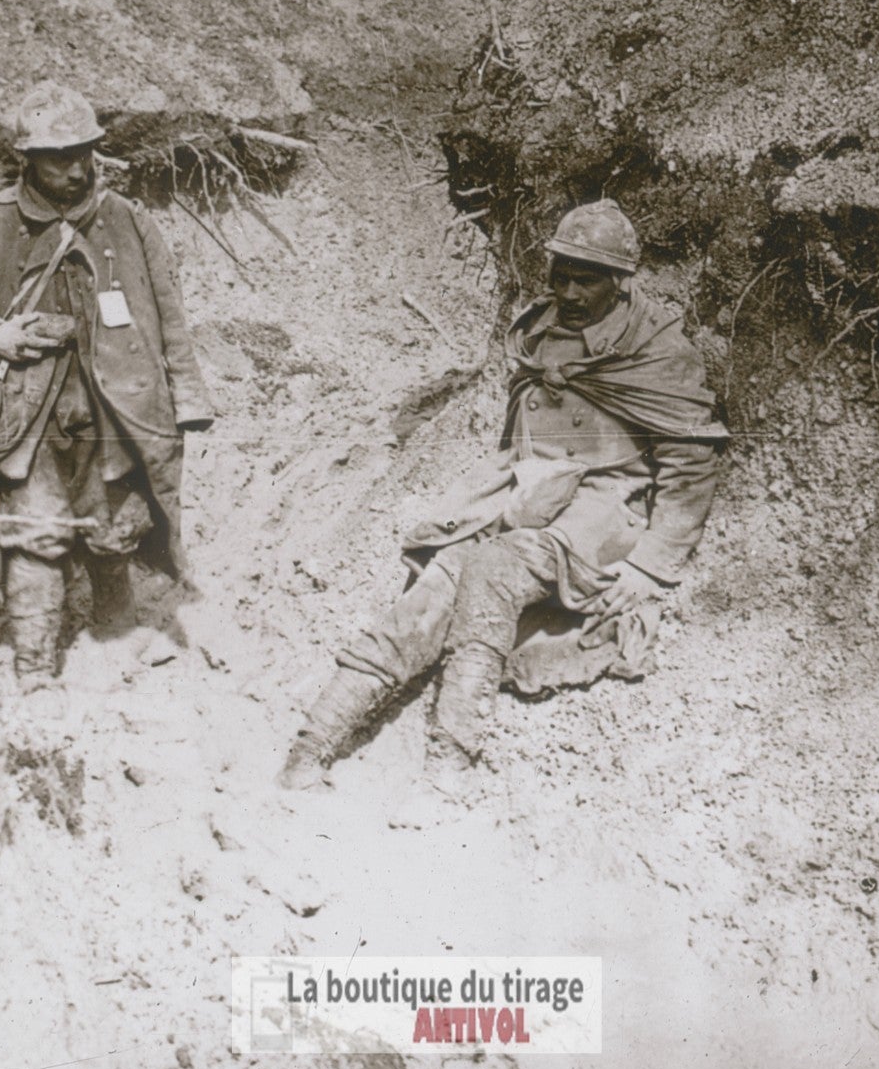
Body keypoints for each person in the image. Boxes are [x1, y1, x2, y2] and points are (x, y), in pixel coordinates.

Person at [280, 198, 726, 795]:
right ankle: (310, 747)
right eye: (559, 274)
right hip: (530, 492)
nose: (567, 291)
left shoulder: (659, 349)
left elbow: (692, 461)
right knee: (440, 579)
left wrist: (650, 566)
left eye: (585, 280)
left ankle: (451, 757)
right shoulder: (540, 329)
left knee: (492, 570)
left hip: (601, 511)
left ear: (620, 282)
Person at [0, 82, 213, 690]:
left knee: (115, 525)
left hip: (113, 406)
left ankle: (112, 640)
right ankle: (35, 672)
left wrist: (188, 400)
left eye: (84, 152)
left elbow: (169, 313)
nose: (75, 167)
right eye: (59, 156)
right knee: (34, 535)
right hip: (26, 412)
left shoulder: (127, 221)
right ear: (28, 160)